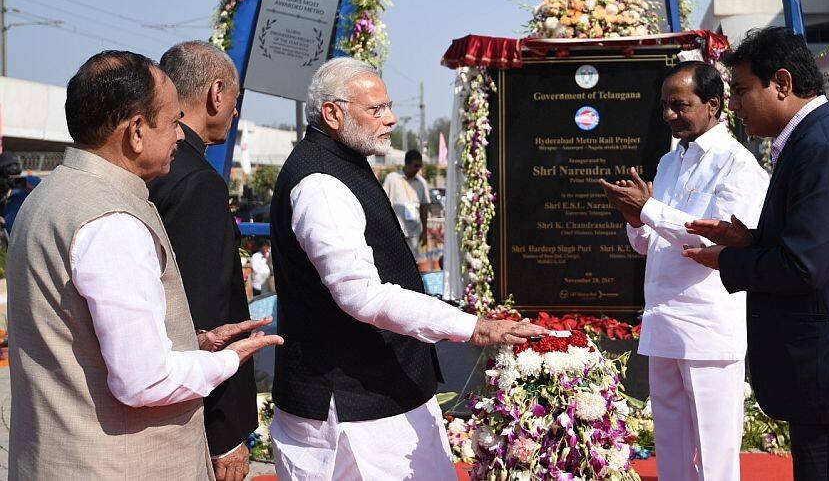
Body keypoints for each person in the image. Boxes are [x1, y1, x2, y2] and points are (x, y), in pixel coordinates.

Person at [6, 50, 282, 479]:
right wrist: (227, 361)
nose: (179, 136)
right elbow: (143, 381)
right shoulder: (111, 219)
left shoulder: (48, 195)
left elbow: (85, 337)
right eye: (173, 122)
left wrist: (200, 341)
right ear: (136, 131)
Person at [269, 57, 546, 480]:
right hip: (353, 410)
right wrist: (473, 327)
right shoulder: (321, 184)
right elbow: (361, 294)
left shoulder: (343, 162)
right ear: (332, 113)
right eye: (376, 109)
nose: (392, 119)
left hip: (382, 397)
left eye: (388, 106)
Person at [682, 26, 829, 480]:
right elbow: (817, 244)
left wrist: (725, 261)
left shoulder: (823, 148)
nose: (733, 106)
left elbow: (803, 267)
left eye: (741, 90)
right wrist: (748, 241)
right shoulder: (810, 141)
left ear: (783, 84)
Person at [599, 60, 768, 481]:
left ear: (713, 105)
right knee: (671, 444)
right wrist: (636, 220)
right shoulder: (669, 161)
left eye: (680, 105)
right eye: (665, 106)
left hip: (708, 325)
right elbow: (648, 244)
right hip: (664, 320)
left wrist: (650, 210)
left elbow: (718, 243)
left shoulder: (738, 165)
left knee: (715, 451)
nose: (669, 115)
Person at [144, 41, 258, 481]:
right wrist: (225, 433)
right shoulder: (197, 182)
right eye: (236, 98)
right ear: (216, 93)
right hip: (193, 413)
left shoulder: (157, 170)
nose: (235, 112)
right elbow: (206, 321)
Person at [383, 149, 432, 258]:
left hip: (414, 231)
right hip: (395, 231)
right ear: (407, 164)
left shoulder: (422, 183)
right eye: (416, 166)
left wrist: (425, 231)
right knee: (395, 260)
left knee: (413, 261)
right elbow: (383, 204)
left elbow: (424, 208)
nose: (418, 169)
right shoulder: (392, 179)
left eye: (420, 166)